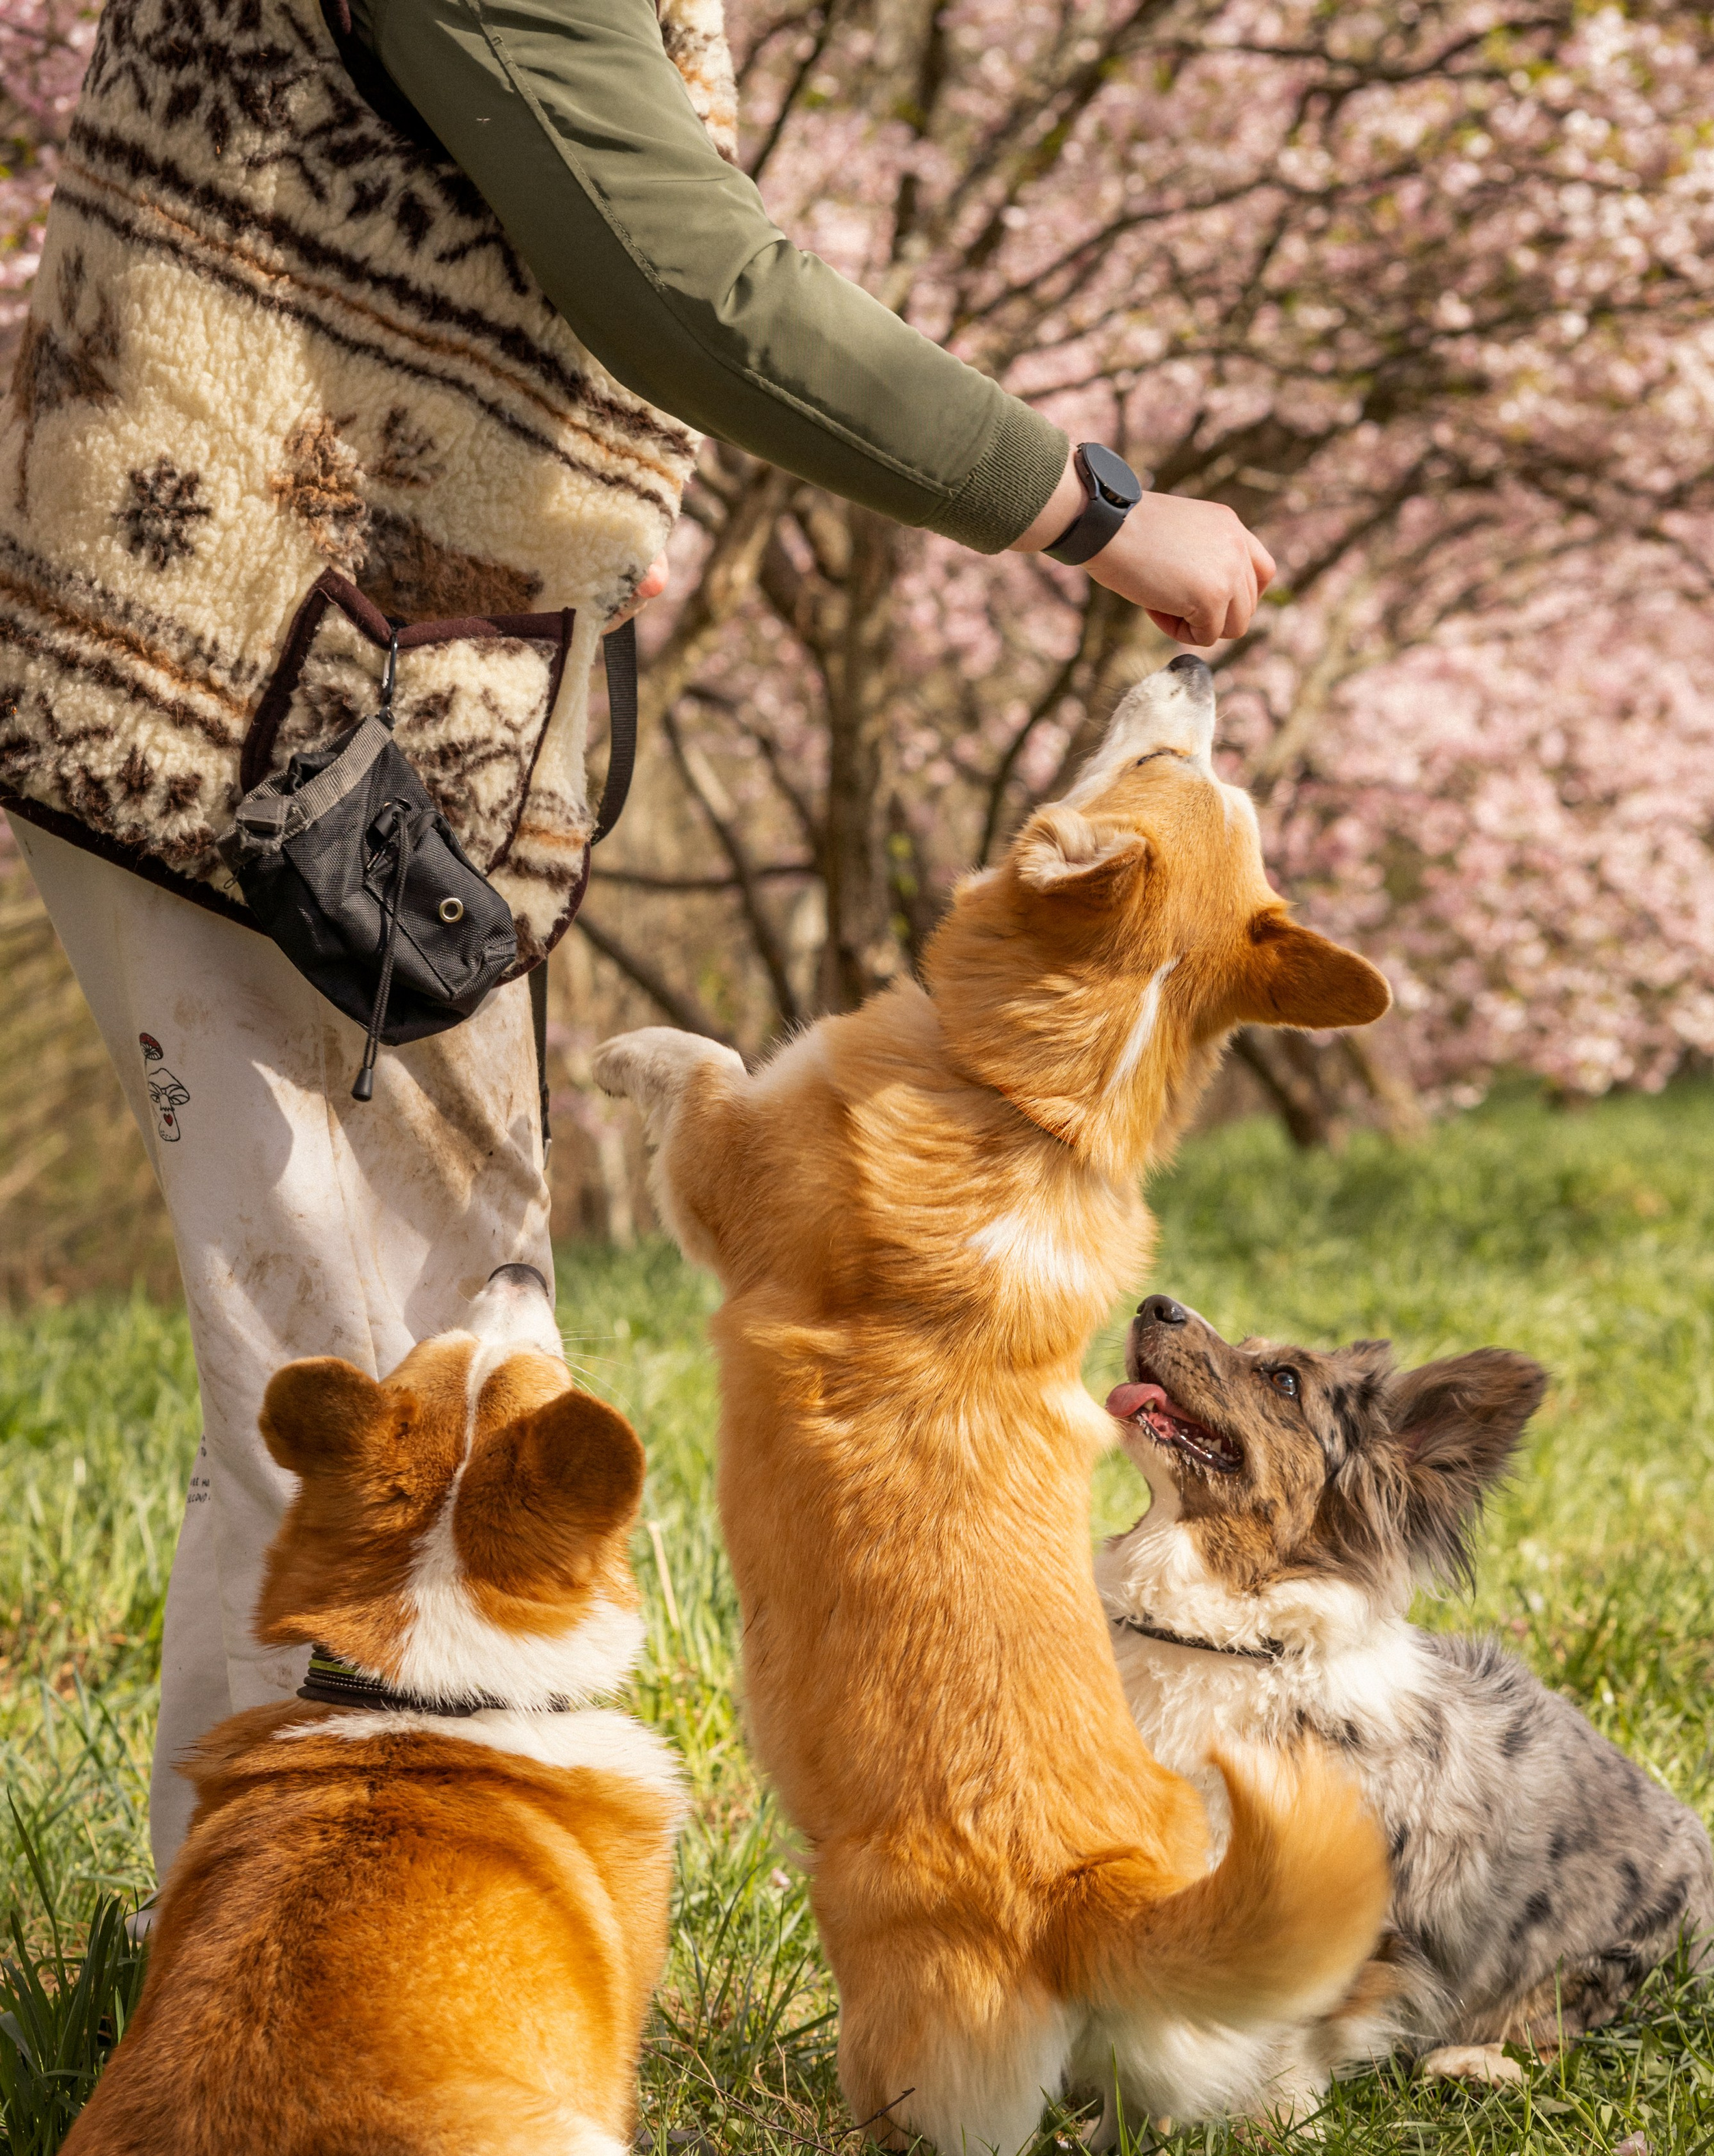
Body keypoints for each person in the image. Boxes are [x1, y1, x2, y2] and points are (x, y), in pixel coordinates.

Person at [0, 0, 1274, 1883]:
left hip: (255, 676)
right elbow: (685, 276)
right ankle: (326, 1994)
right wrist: (1087, 506)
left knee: (372, 1360)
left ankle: (264, 1953)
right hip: (257, 714)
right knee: (394, 1397)